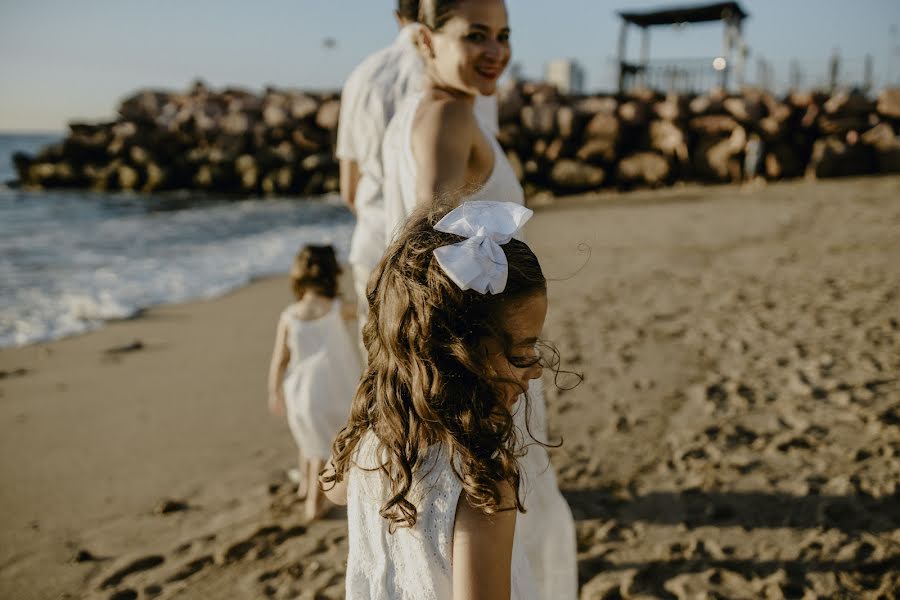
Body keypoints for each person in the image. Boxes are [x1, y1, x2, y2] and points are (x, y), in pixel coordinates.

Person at [380, 1, 578, 597]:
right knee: (498, 514)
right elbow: (432, 253)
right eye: (476, 36)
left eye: (504, 35)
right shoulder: (448, 117)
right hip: (480, 357)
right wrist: (483, 374)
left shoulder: (428, 110)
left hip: (484, 344)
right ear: (425, 41)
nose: (496, 51)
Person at [323, 201, 560, 599]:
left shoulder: (369, 449)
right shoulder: (481, 485)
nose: (535, 369)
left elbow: (331, 486)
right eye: (520, 354)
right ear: (455, 359)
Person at [335, 0, 498, 352]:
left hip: (374, 244)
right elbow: (478, 184)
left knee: (383, 373)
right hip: (443, 267)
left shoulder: (361, 77)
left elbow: (349, 189)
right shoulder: (463, 76)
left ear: (398, 18)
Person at [267, 244, 360, 521]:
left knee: (308, 442)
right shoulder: (337, 309)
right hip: (332, 391)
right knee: (327, 448)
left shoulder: (289, 315)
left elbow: (279, 360)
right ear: (332, 274)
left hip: (298, 392)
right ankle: (314, 503)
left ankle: (304, 487)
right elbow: (367, 310)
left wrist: (274, 391)